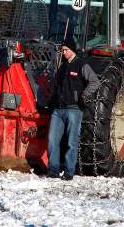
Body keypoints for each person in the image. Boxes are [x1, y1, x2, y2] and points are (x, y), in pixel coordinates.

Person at [47, 37, 99, 181]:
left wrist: (84, 95)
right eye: (62, 50)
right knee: (52, 140)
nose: (63, 52)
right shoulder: (62, 67)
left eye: (66, 50)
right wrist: (52, 100)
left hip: (74, 110)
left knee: (71, 142)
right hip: (58, 110)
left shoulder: (82, 65)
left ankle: (69, 172)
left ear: (72, 50)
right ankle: (53, 170)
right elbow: (56, 86)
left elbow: (95, 82)